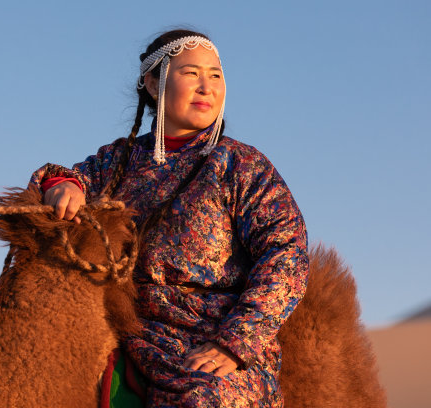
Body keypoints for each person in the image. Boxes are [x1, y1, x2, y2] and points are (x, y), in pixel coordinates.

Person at [30, 29, 309, 407]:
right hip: (129, 326)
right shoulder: (119, 160)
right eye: (191, 73)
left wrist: (234, 343)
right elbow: (67, 175)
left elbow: (286, 254)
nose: (206, 87)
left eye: (215, 75)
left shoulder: (242, 165)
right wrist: (64, 186)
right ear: (153, 84)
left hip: (213, 334)